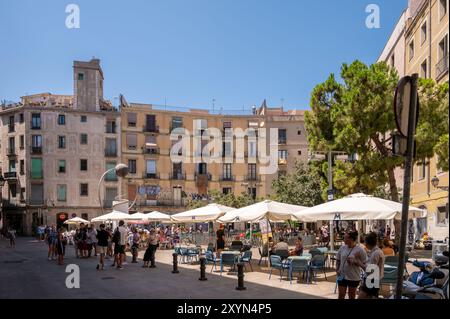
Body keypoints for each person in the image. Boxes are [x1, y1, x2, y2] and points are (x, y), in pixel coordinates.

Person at [336, 231, 367, 299]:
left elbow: (365, 265)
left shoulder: (360, 250)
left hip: (354, 277)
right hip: (342, 275)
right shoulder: (342, 248)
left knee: (352, 296)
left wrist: (356, 262)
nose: (344, 239)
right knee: (341, 295)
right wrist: (337, 269)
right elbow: (338, 260)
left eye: (345, 238)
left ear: (351, 239)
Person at [357, 232, 385, 299]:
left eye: (365, 242)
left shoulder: (376, 253)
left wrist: (359, 263)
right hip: (373, 279)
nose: (364, 244)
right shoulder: (376, 251)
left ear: (367, 243)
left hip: (372, 279)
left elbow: (370, 270)